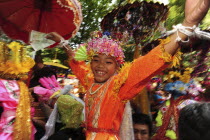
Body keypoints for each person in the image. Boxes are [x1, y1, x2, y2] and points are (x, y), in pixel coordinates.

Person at [46, 0, 210, 139]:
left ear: (117, 67)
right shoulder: (90, 82)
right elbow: (78, 65)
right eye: (96, 60)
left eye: (108, 62)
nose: (100, 66)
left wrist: (187, 26)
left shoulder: (119, 86)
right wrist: (64, 43)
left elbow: (150, 62)